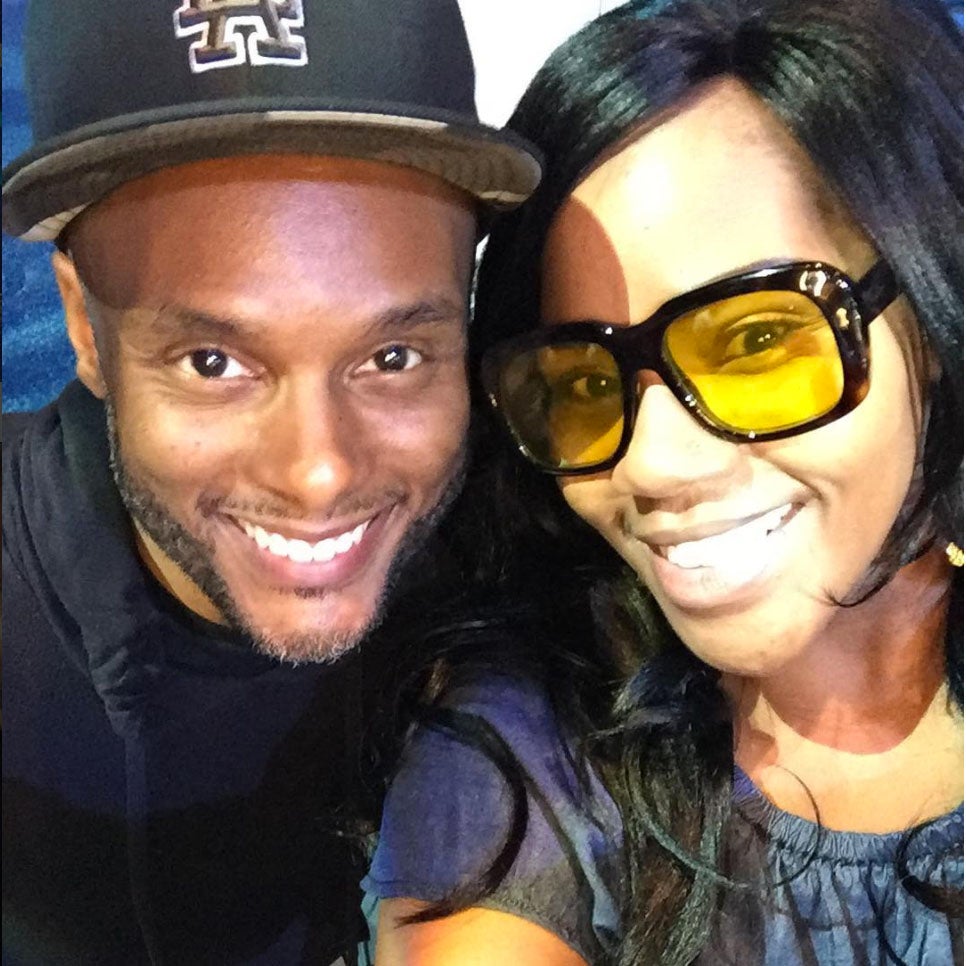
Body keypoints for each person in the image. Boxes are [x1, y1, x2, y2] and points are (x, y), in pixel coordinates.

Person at [363, 0, 964, 963]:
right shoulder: (534, 746)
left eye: (757, 340)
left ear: (932, 315)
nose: (650, 463)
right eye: (580, 382)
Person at [0, 0, 542, 962]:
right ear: (83, 326)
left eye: (393, 357)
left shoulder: (520, 552)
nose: (319, 472)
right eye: (213, 363)